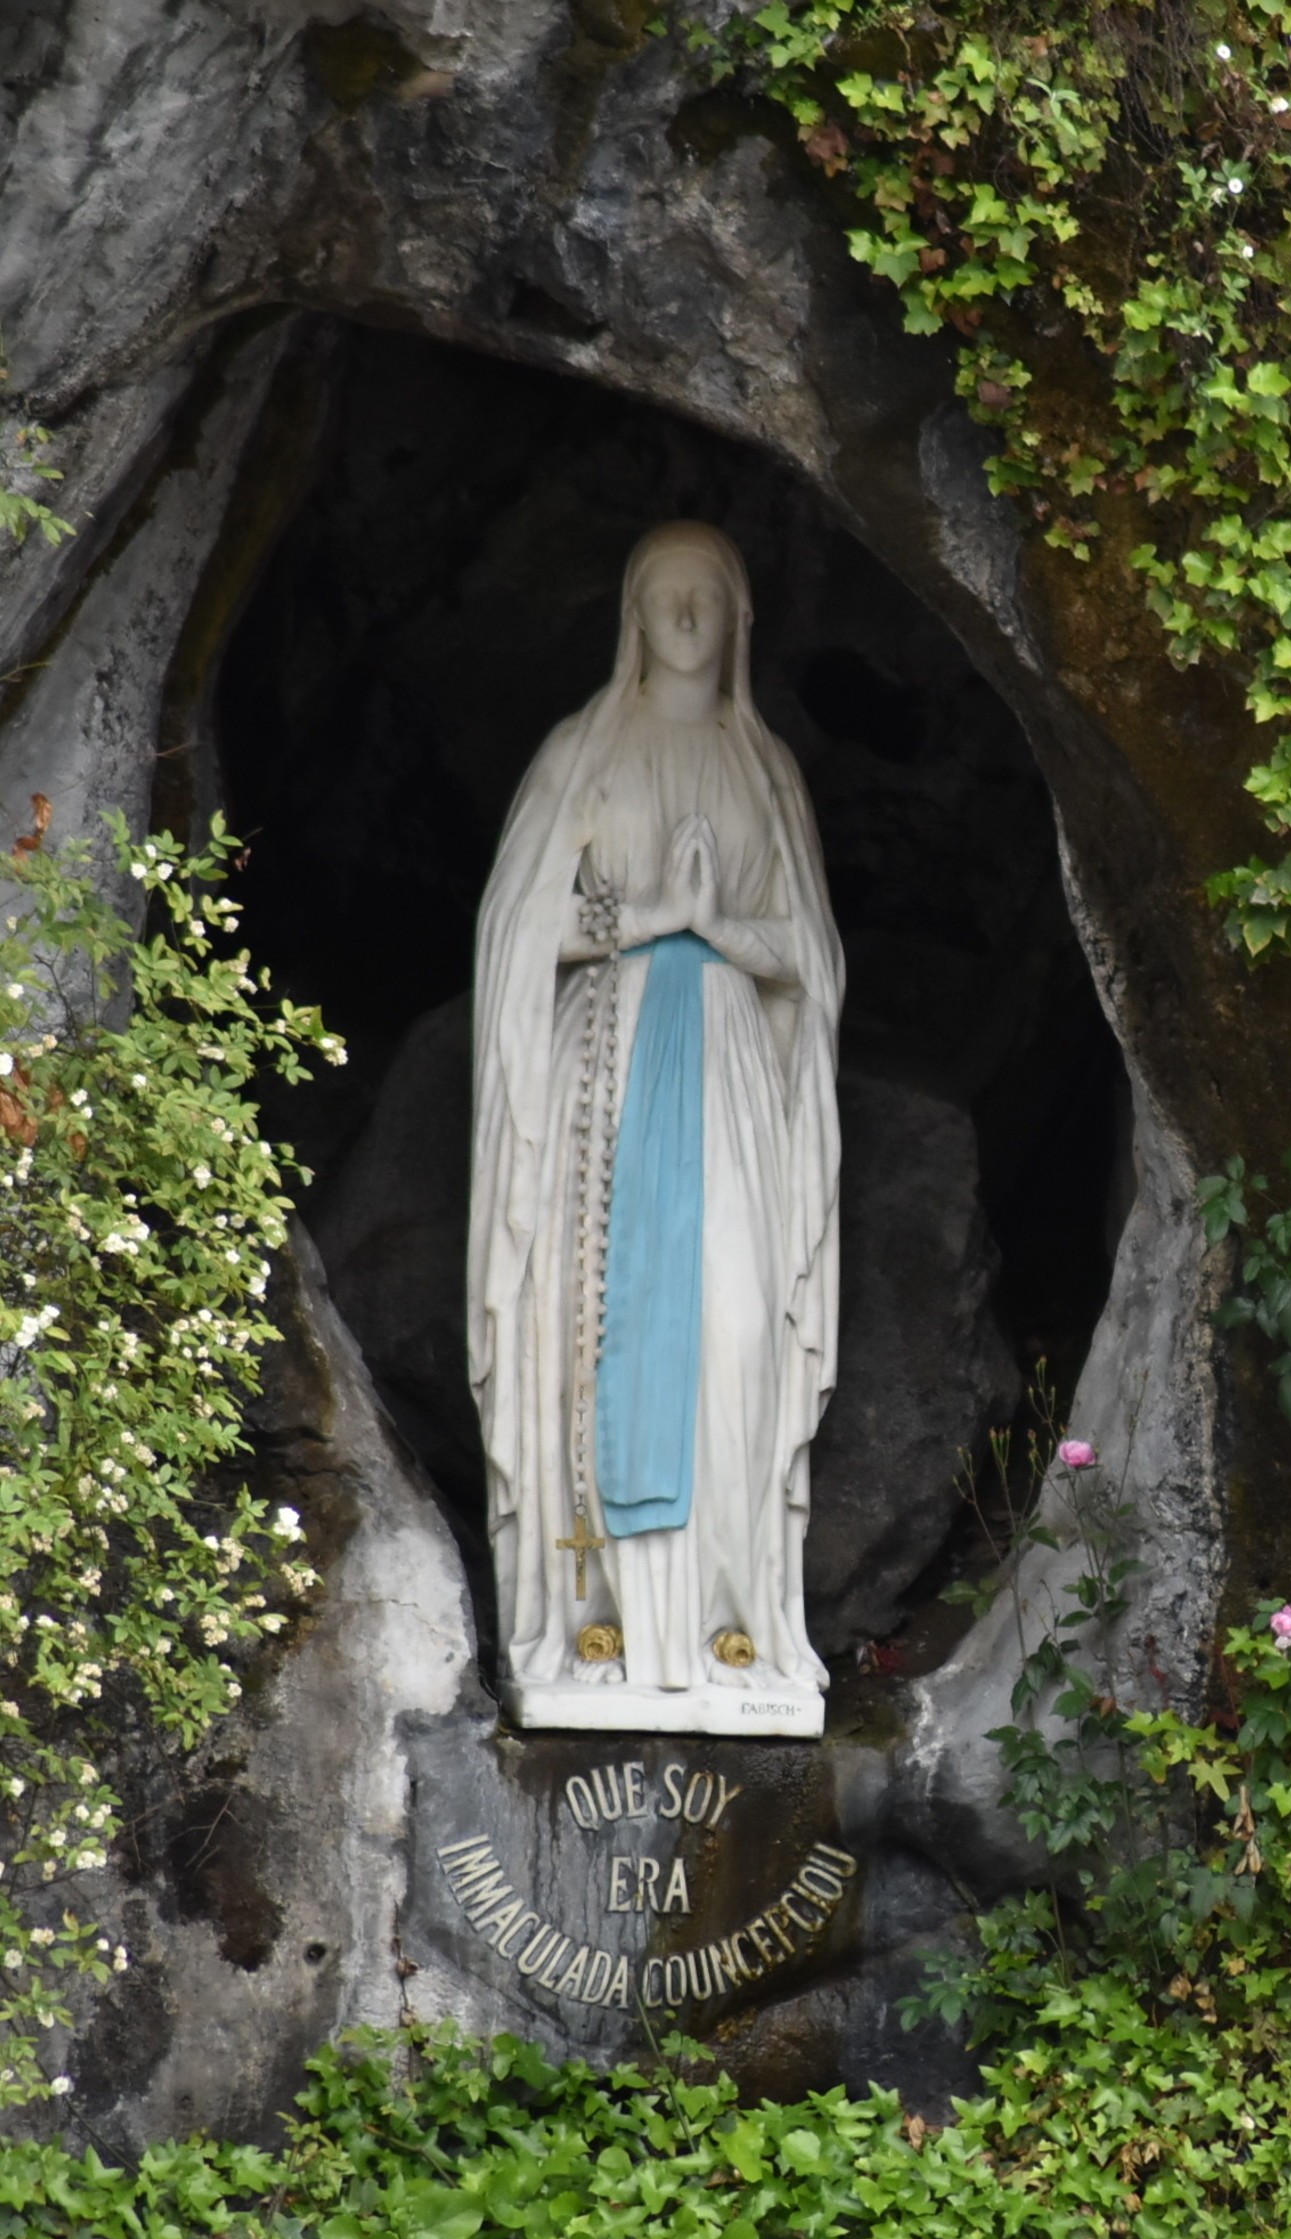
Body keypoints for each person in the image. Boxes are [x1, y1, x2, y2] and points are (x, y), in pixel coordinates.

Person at [467, 522, 842, 1733]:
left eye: (706, 598)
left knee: (736, 1331)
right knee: (596, 1330)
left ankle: (733, 1626)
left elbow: (812, 961)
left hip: (729, 1080)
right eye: (666, 596)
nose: (686, 616)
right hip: (606, 1076)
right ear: (632, 616)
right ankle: (604, 1624)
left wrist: (715, 926)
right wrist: (645, 920)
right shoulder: (582, 755)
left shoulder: (765, 771)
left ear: (740, 621)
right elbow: (516, 933)